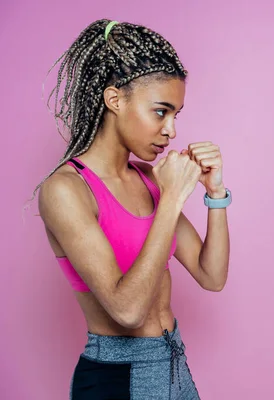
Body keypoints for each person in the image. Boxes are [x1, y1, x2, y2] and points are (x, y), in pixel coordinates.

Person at [35, 19, 231, 399]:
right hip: (118, 377)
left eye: (176, 115)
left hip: (173, 364)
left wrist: (216, 193)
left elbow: (212, 275)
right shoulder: (65, 190)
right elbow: (127, 311)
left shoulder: (147, 178)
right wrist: (172, 199)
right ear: (115, 100)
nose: (172, 131)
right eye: (161, 111)